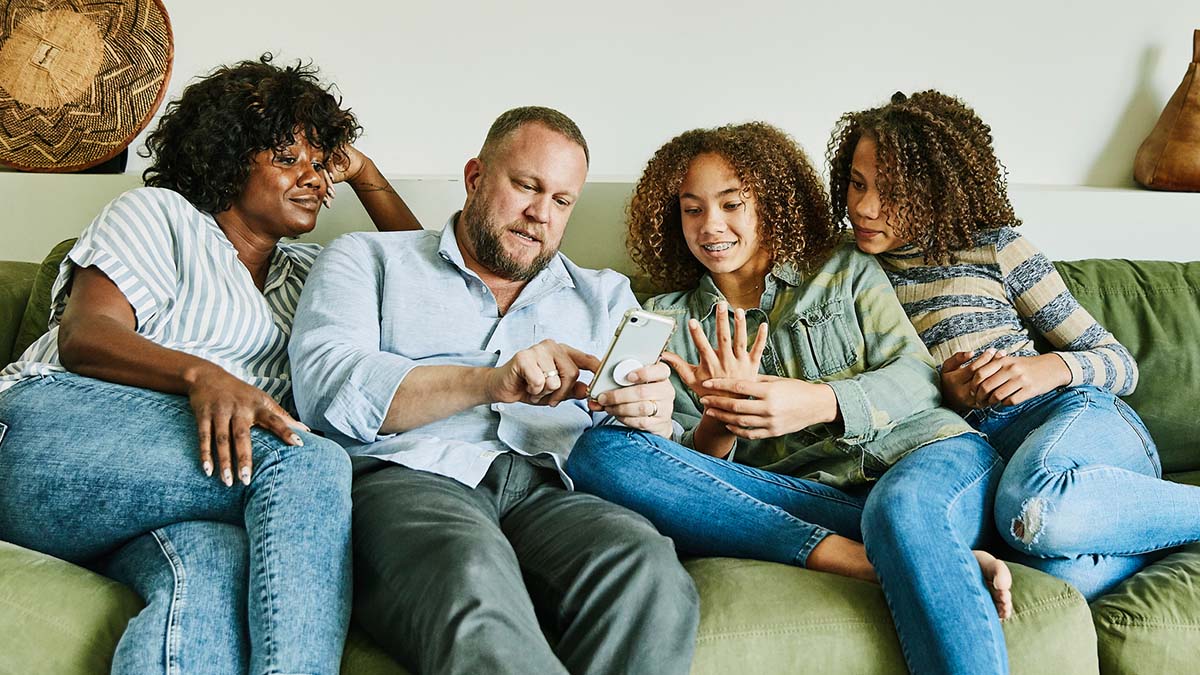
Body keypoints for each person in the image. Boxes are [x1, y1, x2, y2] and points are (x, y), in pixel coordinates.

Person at [0, 54, 420, 675]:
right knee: (304, 456)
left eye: (321, 162)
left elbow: (423, 287)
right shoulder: (160, 216)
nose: (314, 178)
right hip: (45, 437)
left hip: (178, 492)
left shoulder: (316, 277)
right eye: (287, 159)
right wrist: (202, 375)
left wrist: (365, 172)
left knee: (214, 574)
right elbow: (86, 336)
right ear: (227, 160)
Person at [566, 122, 1014, 675]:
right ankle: (890, 561)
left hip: (926, 461)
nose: (711, 227)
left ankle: (910, 547)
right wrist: (720, 422)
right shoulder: (667, 321)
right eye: (692, 209)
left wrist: (819, 401)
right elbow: (699, 483)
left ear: (772, 203)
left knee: (901, 510)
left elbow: (920, 379)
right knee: (598, 453)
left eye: (732, 204)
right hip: (814, 501)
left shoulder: (841, 268)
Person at [289, 106, 699, 675]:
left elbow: (651, 436)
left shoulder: (605, 295)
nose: (539, 215)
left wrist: (651, 414)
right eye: (527, 186)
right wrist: (490, 383)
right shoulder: (369, 258)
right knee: (471, 575)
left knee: (647, 568)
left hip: (553, 489)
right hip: (411, 482)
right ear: (475, 177)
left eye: (561, 201)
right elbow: (326, 390)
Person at [827, 89, 1200, 600]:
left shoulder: (995, 247)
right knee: (1053, 575)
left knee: (1032, 506)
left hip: (1075, 422)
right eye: (856, 183)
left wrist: (1048, 369)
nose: (865, 208)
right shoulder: (846, 271)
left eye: (891, 192)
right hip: (991, 456)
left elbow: (1119, 364)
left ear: (938, 190)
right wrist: (950, 395)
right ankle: (1129, 526)